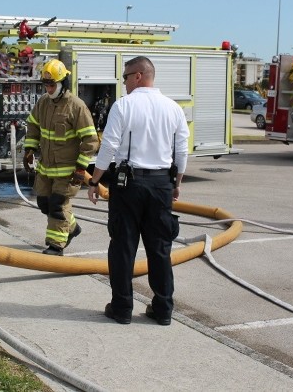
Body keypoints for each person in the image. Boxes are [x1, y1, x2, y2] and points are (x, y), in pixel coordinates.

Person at [87, 56, 189, 325]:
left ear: (139, 76)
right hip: (161, 185)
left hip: (128, 185)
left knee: (123, 246)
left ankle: (122, 309)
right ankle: (163, 309)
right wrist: (176, 183)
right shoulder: (174, 108)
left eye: (125, 77)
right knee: (160, 249)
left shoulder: (124, 106)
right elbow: (181, 151)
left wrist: (94, 180)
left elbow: (108, 147)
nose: (124, 83)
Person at [23, 59, 99, 256]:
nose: (48, 88)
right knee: (44, 204)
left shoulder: (76, 106)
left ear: (62, 83)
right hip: (46, 168)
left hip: (67, 171)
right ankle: (72, 228)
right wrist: (29, 149)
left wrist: (81, 169)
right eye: (46, 85)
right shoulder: (43, 103)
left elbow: (90, 140)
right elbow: (33, 126)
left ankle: (56, 245)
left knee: (58, 206)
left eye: (52, 84)